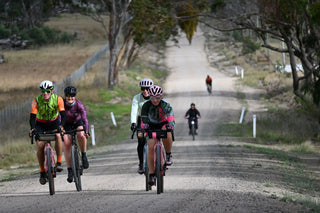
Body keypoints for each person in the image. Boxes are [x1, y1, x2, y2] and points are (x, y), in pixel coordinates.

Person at [29, 80, 66, 185]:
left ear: (52, 91)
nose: (45, 93)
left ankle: (59, 162)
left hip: (54, 123)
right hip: (40, 124)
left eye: (48, 91)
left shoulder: (58, 99)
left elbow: (63, 115)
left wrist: (61, 126)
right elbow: (32, 117)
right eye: (43, 91)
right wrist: (33, 128)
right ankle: (42, 171)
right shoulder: (36, 101)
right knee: (40, 146)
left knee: (58, 136)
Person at [140, 85, 175, 186]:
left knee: (168, 133)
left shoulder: (166, 105)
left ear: (161, 97)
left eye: (157, 98)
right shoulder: (146, 106)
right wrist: (144, 126)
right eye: (152, 98)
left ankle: (168, 154)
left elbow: (171, 118)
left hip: (163, 124)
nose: (155, 100)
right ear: (149, 97)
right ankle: (151, 174)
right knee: (150, 147)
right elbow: (144, 119)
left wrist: (170, 125)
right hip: (151, 126)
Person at [63, 86, 90, 183]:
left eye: (72, 95)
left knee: (81, 135)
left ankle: (83, 155)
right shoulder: (61, 105)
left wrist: (86, 131)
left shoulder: (79, 105)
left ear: (75, 96)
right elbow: (57, 117)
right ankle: (70, 170)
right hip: (66, 125)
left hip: (77, 123)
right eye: (68, 95)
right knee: (67, 143)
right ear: (65, 96)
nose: (70, 98)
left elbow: (85, 119)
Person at [130, 78, 154, 174]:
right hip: (142, 120)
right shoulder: (137, 98)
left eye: (147, 88)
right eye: (143, 88)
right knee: (141, 141)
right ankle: (141, 163)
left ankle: (160, 158)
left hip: (154, 120)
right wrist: (133, 123)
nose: (145, 91)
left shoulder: (155, 97)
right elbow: (134, 110)